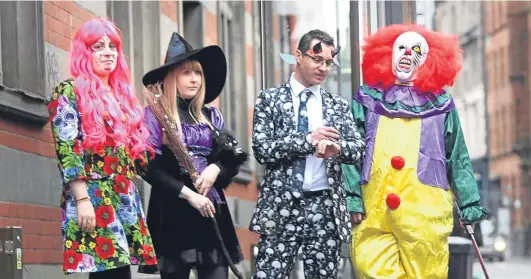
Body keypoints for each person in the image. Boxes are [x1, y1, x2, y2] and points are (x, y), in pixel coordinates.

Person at [342, 24, 488, 279]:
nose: (408, 53)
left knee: (427, 272)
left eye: (416, 49)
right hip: (375, 209)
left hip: (425, 211)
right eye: (402, 47)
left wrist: (469, 204)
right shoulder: (367, 99)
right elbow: (351, 150)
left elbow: (457, 156)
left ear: (428, 60)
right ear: (388, 53)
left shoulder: (441, 104)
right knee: (371, 267)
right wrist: (353, 196)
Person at [250, 29, 365, 279]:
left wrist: (339, 149)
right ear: (299, 56)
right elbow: (262, 149)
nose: (323, 68)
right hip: (281, 206)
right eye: (317, 60)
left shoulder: (337, 105)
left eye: (327, 63)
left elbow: (359, 148)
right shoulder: (270, 100)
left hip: (325, 206)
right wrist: (307, 140)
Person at [47, 18, 157, 278]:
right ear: (85, 53)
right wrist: (82, 199)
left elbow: (135, 156)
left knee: (119, 271)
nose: (108, 52)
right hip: (94, 194)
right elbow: (67, 149)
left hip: (124, 193)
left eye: (113, 46)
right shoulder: (69, 91)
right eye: (98, 46)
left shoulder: (123, 97)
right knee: (109, 272)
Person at [138, 32, 245, 279]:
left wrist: (215, 169)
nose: (194, 79)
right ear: (171, 77)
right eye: (186, 72)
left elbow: (233, 160)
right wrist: (188, 195)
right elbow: (146, 166)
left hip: (211, 211)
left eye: (198, 73)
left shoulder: (211, 117)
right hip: (173, 210)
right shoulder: (155, 115)